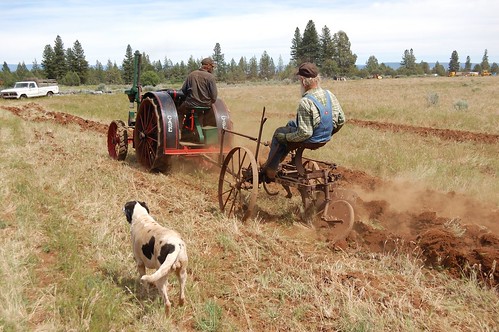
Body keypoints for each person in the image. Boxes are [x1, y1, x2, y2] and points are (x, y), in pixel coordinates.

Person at [261, 62, 345, 181]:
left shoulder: (305, 102)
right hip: (324, 137)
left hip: (311, 139)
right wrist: (329, 132)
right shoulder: (329, 94)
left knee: (279, 133)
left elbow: (305, 133)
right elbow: (342, 120)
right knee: (290, 124)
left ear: (302, 80)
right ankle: (284, 153)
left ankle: (270, 170)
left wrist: (285, 138)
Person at [178, 57, 218, 141]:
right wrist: (209, 102)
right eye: (212, 66)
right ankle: (201, 136)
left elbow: (183, 91)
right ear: (207, 66)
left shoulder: (191, 75)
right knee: (200, 114)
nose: (212, 68)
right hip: (205, 105)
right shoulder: (210, 77)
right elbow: (214, 96)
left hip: (190, 104)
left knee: (179, 111)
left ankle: (178, 131)